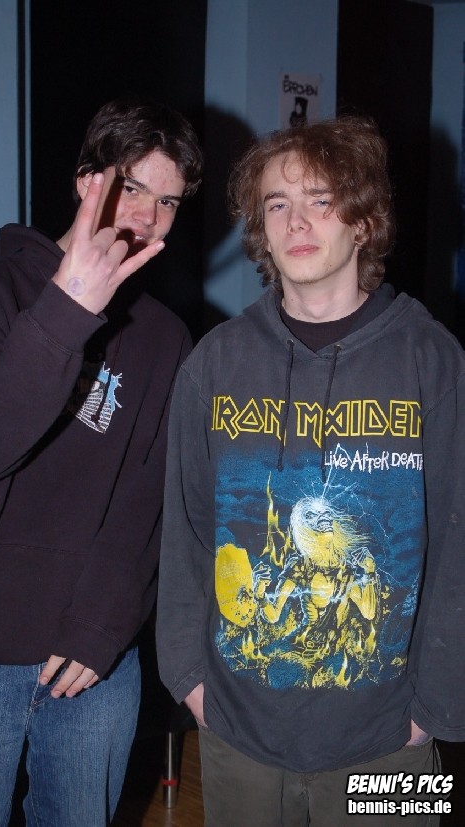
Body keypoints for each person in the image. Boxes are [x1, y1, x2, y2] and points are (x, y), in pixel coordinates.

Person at [156, 116, 465, 826]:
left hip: (393, 742)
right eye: (277, 204)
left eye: (321, 200)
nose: (296, 221)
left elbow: (458, 545)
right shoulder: (214, 363)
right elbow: (186, 532)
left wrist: (436, 709)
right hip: (235, 733)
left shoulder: (436, 361)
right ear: (260, 231)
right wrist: (189, 678)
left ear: (365, 221)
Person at [0, 97, 202, 826]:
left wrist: (102, 628)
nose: (148, 216)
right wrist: (67, 311)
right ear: (86, 180)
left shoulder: (166, 339)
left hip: (91, 661)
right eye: (133, 187)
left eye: (168, 201)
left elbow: (147, 499)